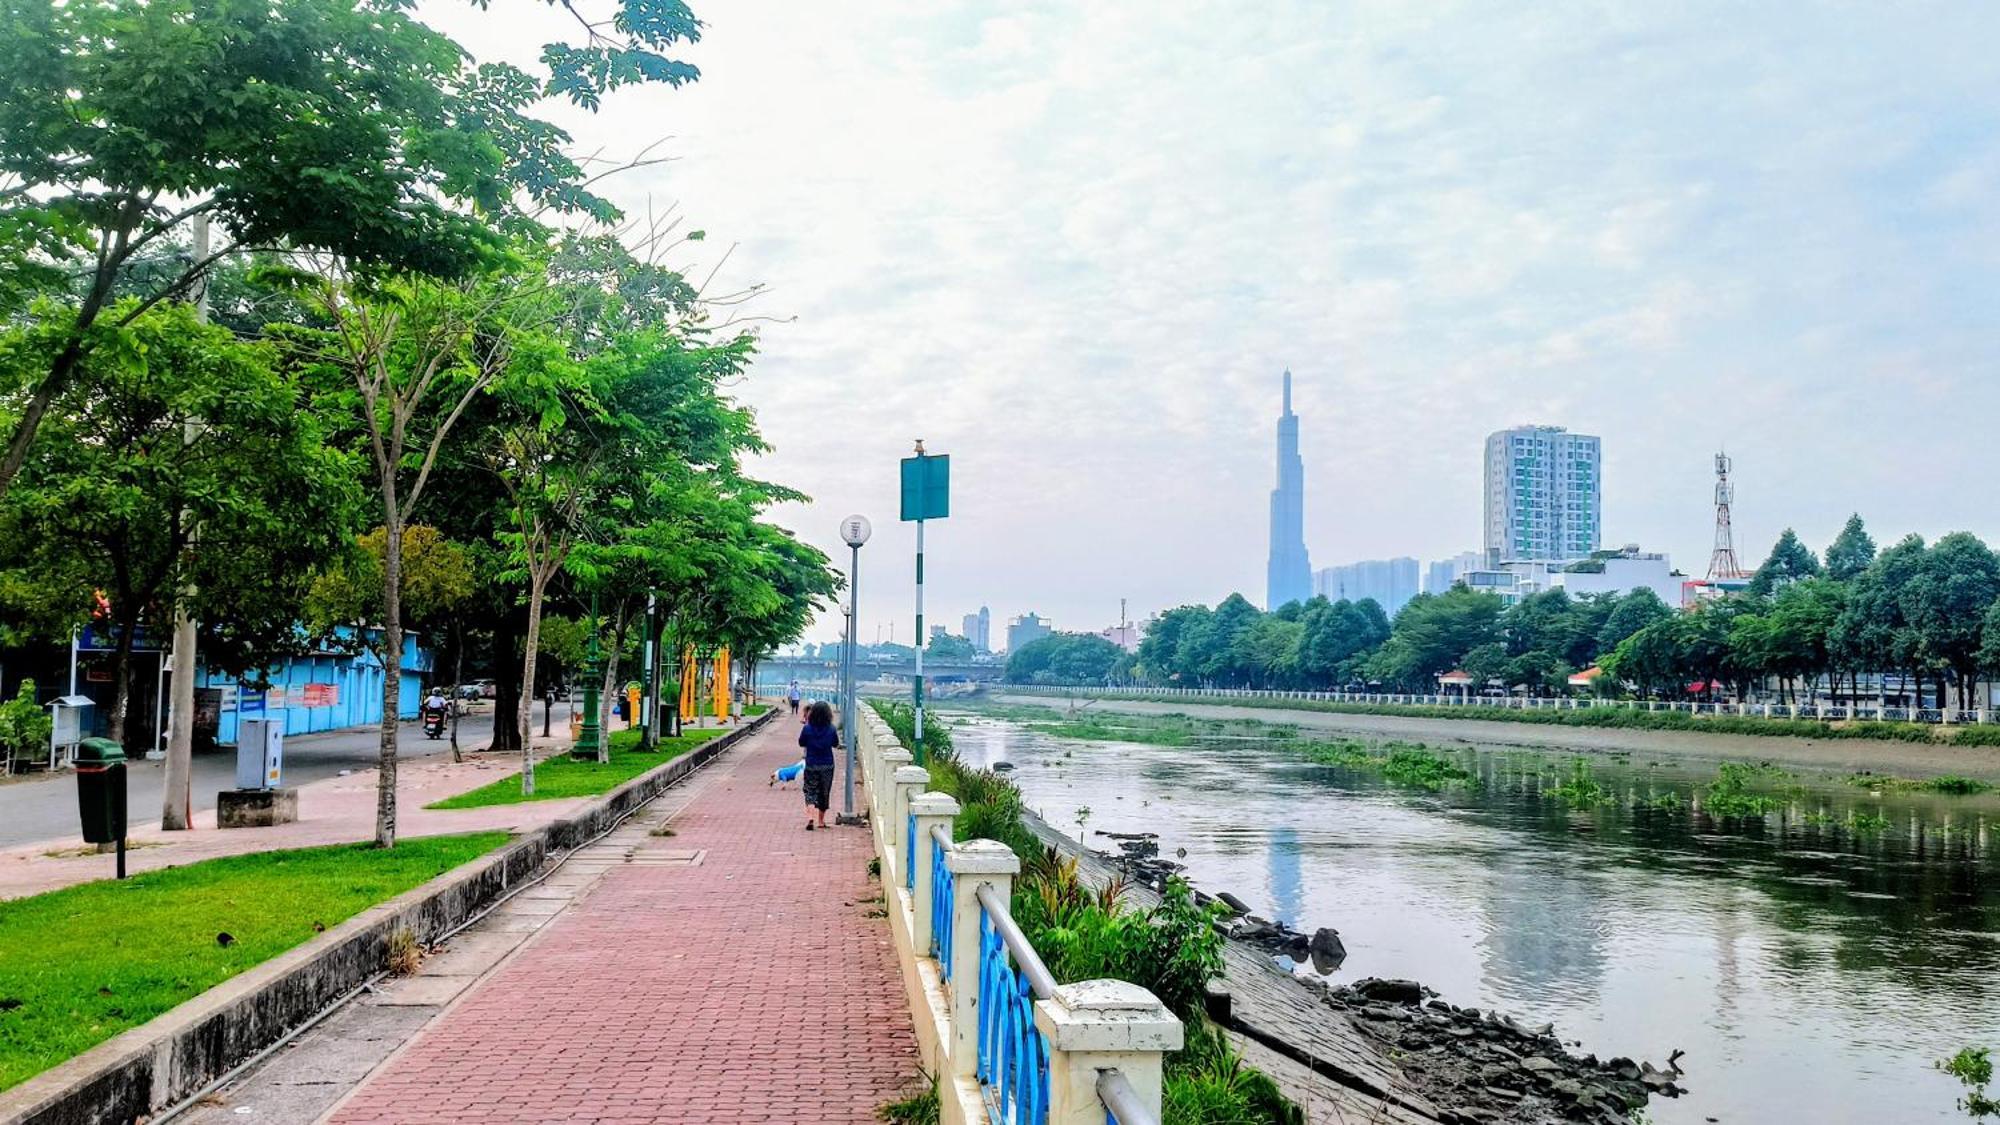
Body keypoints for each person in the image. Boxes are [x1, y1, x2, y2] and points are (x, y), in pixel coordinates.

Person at [797, 700, 839, 830]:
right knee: (824, 792)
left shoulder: (807, 728)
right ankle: (821, 821)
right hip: (827, 764)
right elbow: (835, 744)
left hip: (811, 763)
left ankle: (811, 817)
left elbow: (801, 743)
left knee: (810, 790)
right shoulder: (831, 729)